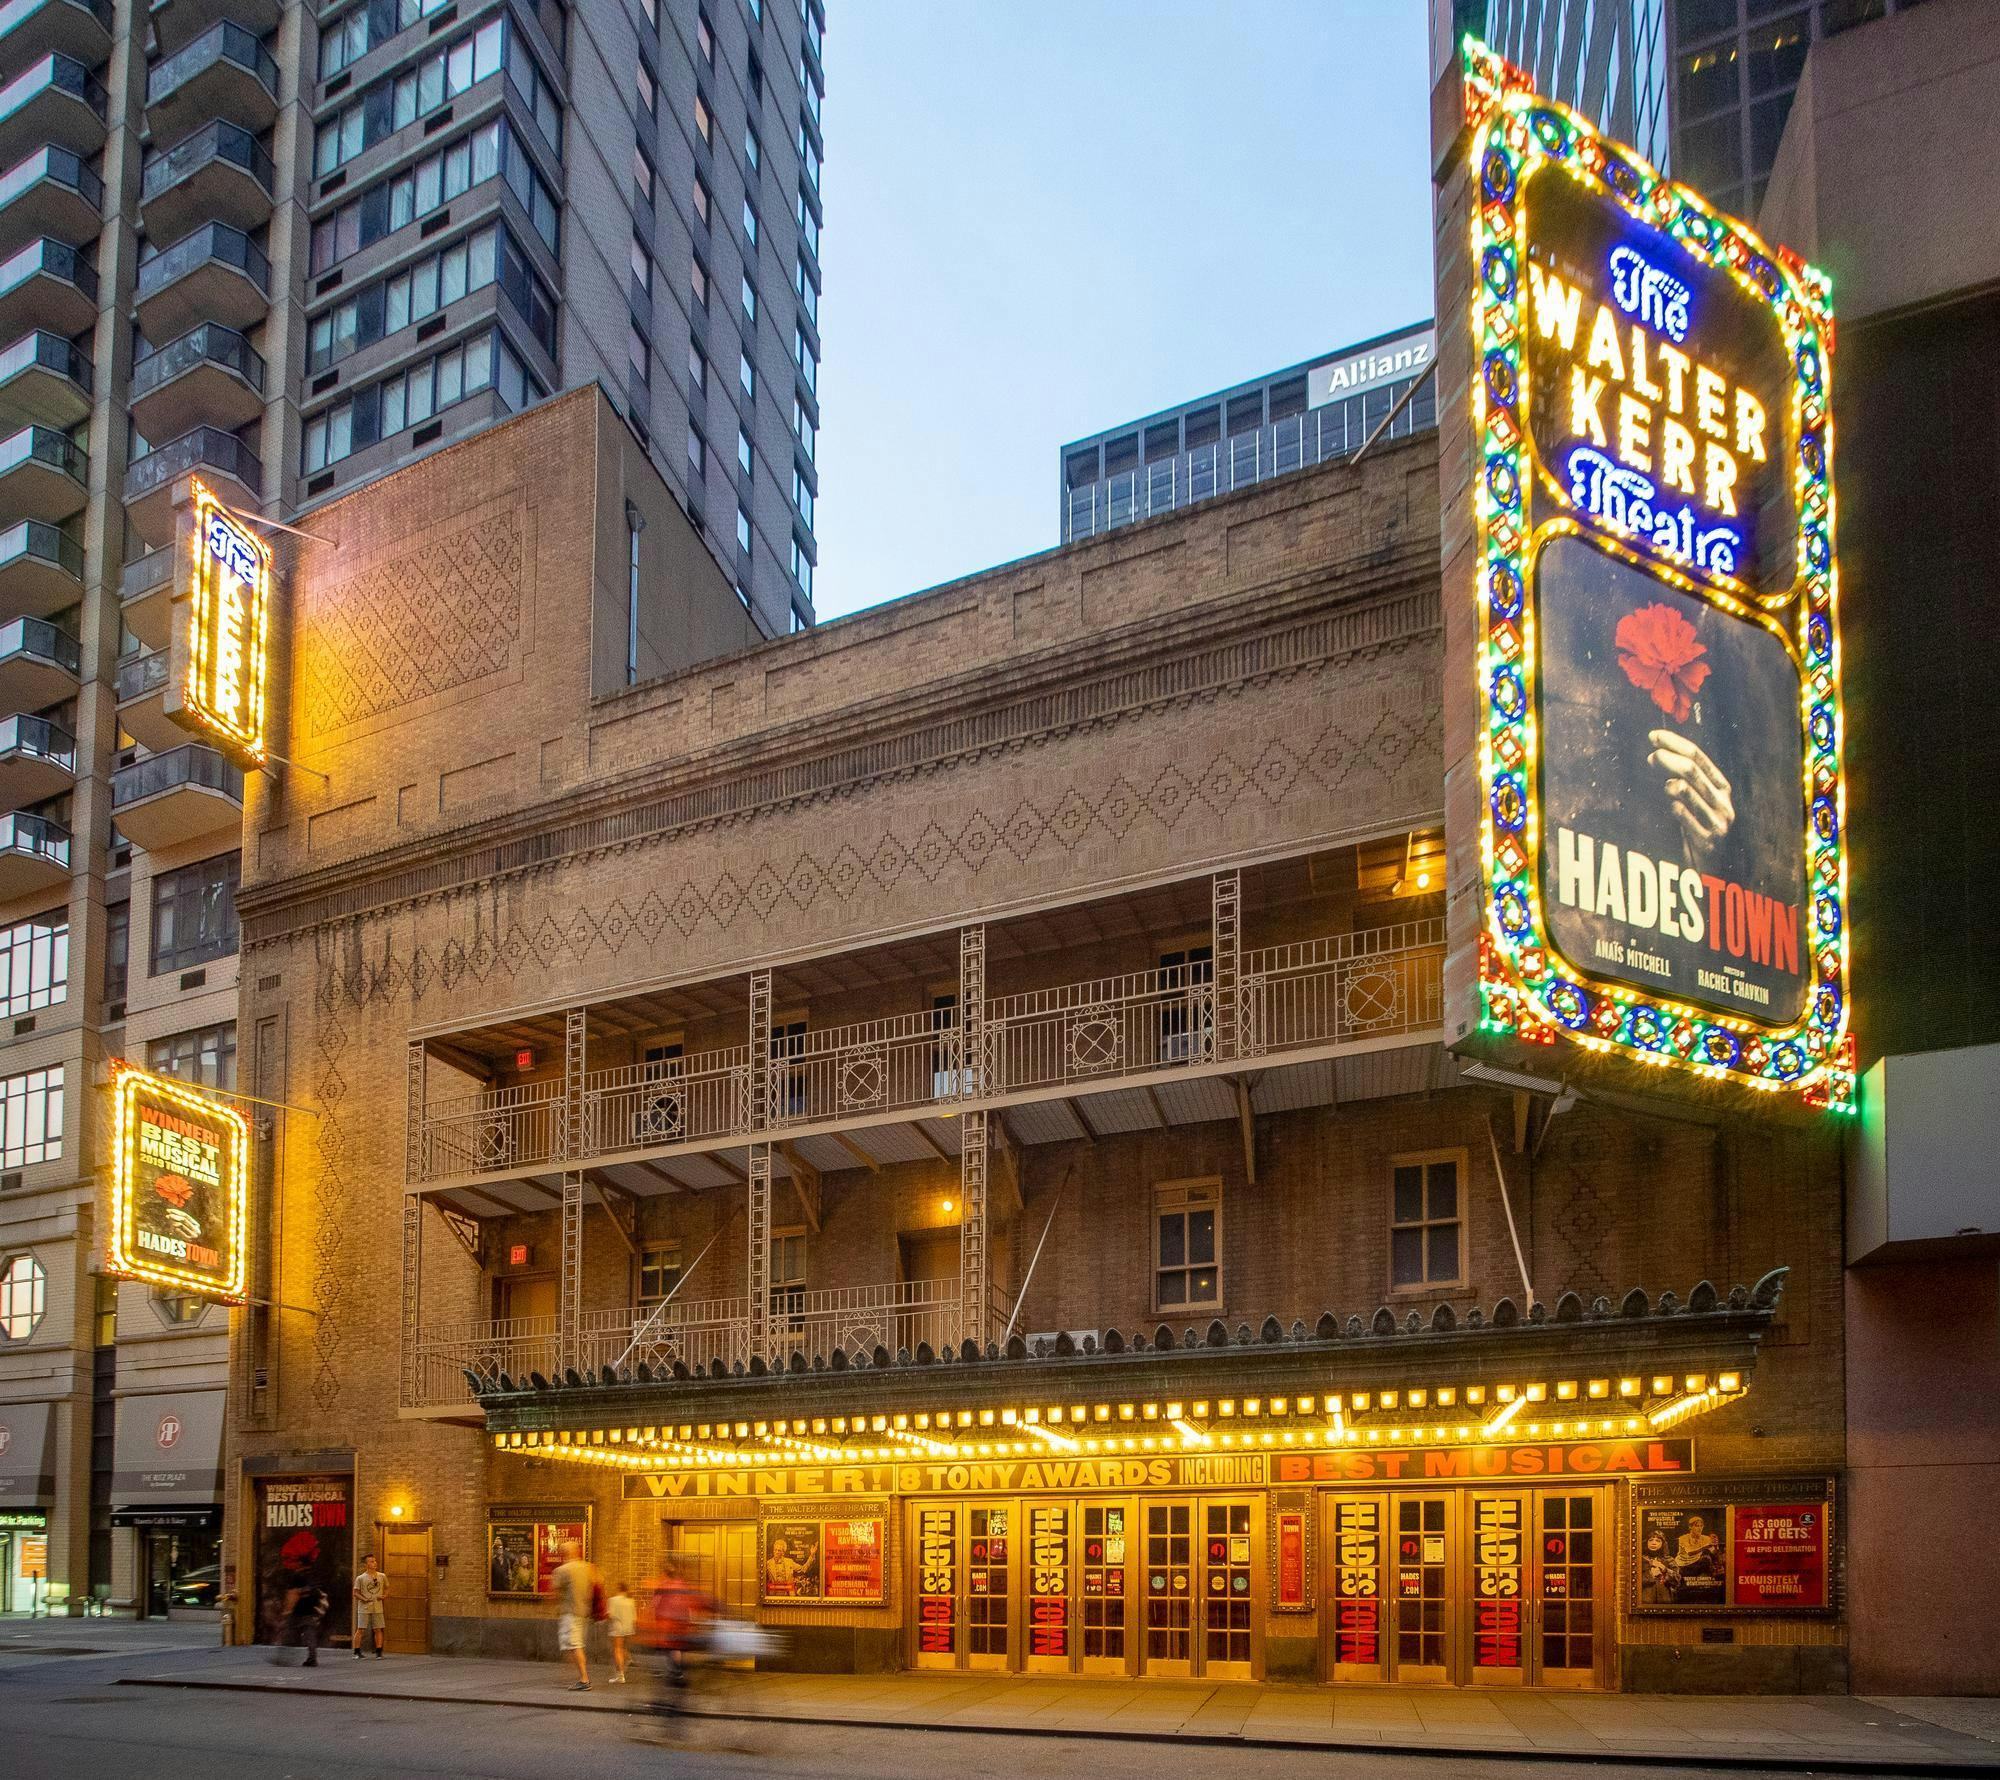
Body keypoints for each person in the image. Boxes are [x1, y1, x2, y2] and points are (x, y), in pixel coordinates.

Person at [638, 1559, 714, 1711]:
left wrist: (644, 1626)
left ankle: (667, 1700)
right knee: (674, 1666)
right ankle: (674, 1693)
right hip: (681, 1634)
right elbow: (695, 1605)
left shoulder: (662, 1587)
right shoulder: (683, 1587)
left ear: (665, 1573)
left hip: (665, 1635)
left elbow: (653, 1608)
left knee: (667, 1669)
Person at [550, 1540, 596, 1690]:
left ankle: (584, 1680)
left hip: (570, 1613)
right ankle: (577, 1674)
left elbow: (554, 1592)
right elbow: (596, 1586)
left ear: (564, 1554)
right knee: (574, 1645)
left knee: (574, 1645)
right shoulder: (587, 1568)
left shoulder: (563, 1570)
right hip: (583, 1612)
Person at [351, 1553, 387, 1659]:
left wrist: (384, 1595)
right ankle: (357, 1651)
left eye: (375, 1561)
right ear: (366, 1564)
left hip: (377, 1606)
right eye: (371, 1561)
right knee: (361, 1629)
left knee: (378, 1628)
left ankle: (379, 1651)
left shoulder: (382, 1576)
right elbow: (355, 1592)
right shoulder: (360, 1578)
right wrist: (364, 1599)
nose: (374, 1563)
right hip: (364, 1607)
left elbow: (387, 1587)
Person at [606, 1580, 637, 1684]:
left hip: (617, 1628)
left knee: (617, 1650)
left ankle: (620, 1675)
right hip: (628, 1629)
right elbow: (634, 1617)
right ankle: (628, 1659)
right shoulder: (630, 1600)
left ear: (618, 1588)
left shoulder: (613, 1600)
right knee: (623, 1648)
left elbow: (610, 1615)